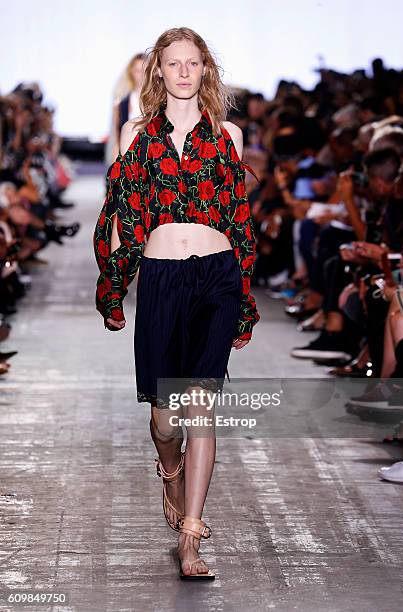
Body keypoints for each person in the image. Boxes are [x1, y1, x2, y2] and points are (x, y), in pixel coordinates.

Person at [93, 27, 260, 580]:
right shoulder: (135, 134)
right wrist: (114, 286)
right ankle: (169, 469)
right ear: (157, 71)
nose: (184, 72)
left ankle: (191, 539)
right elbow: (122, 214)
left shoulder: (228, 134)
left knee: (200, 406)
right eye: (173, 63)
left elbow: (239, 222)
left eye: (194, 63)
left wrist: (244, 298)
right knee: (166, 421)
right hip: (162, 278)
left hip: (216, 276)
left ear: (205, 70)